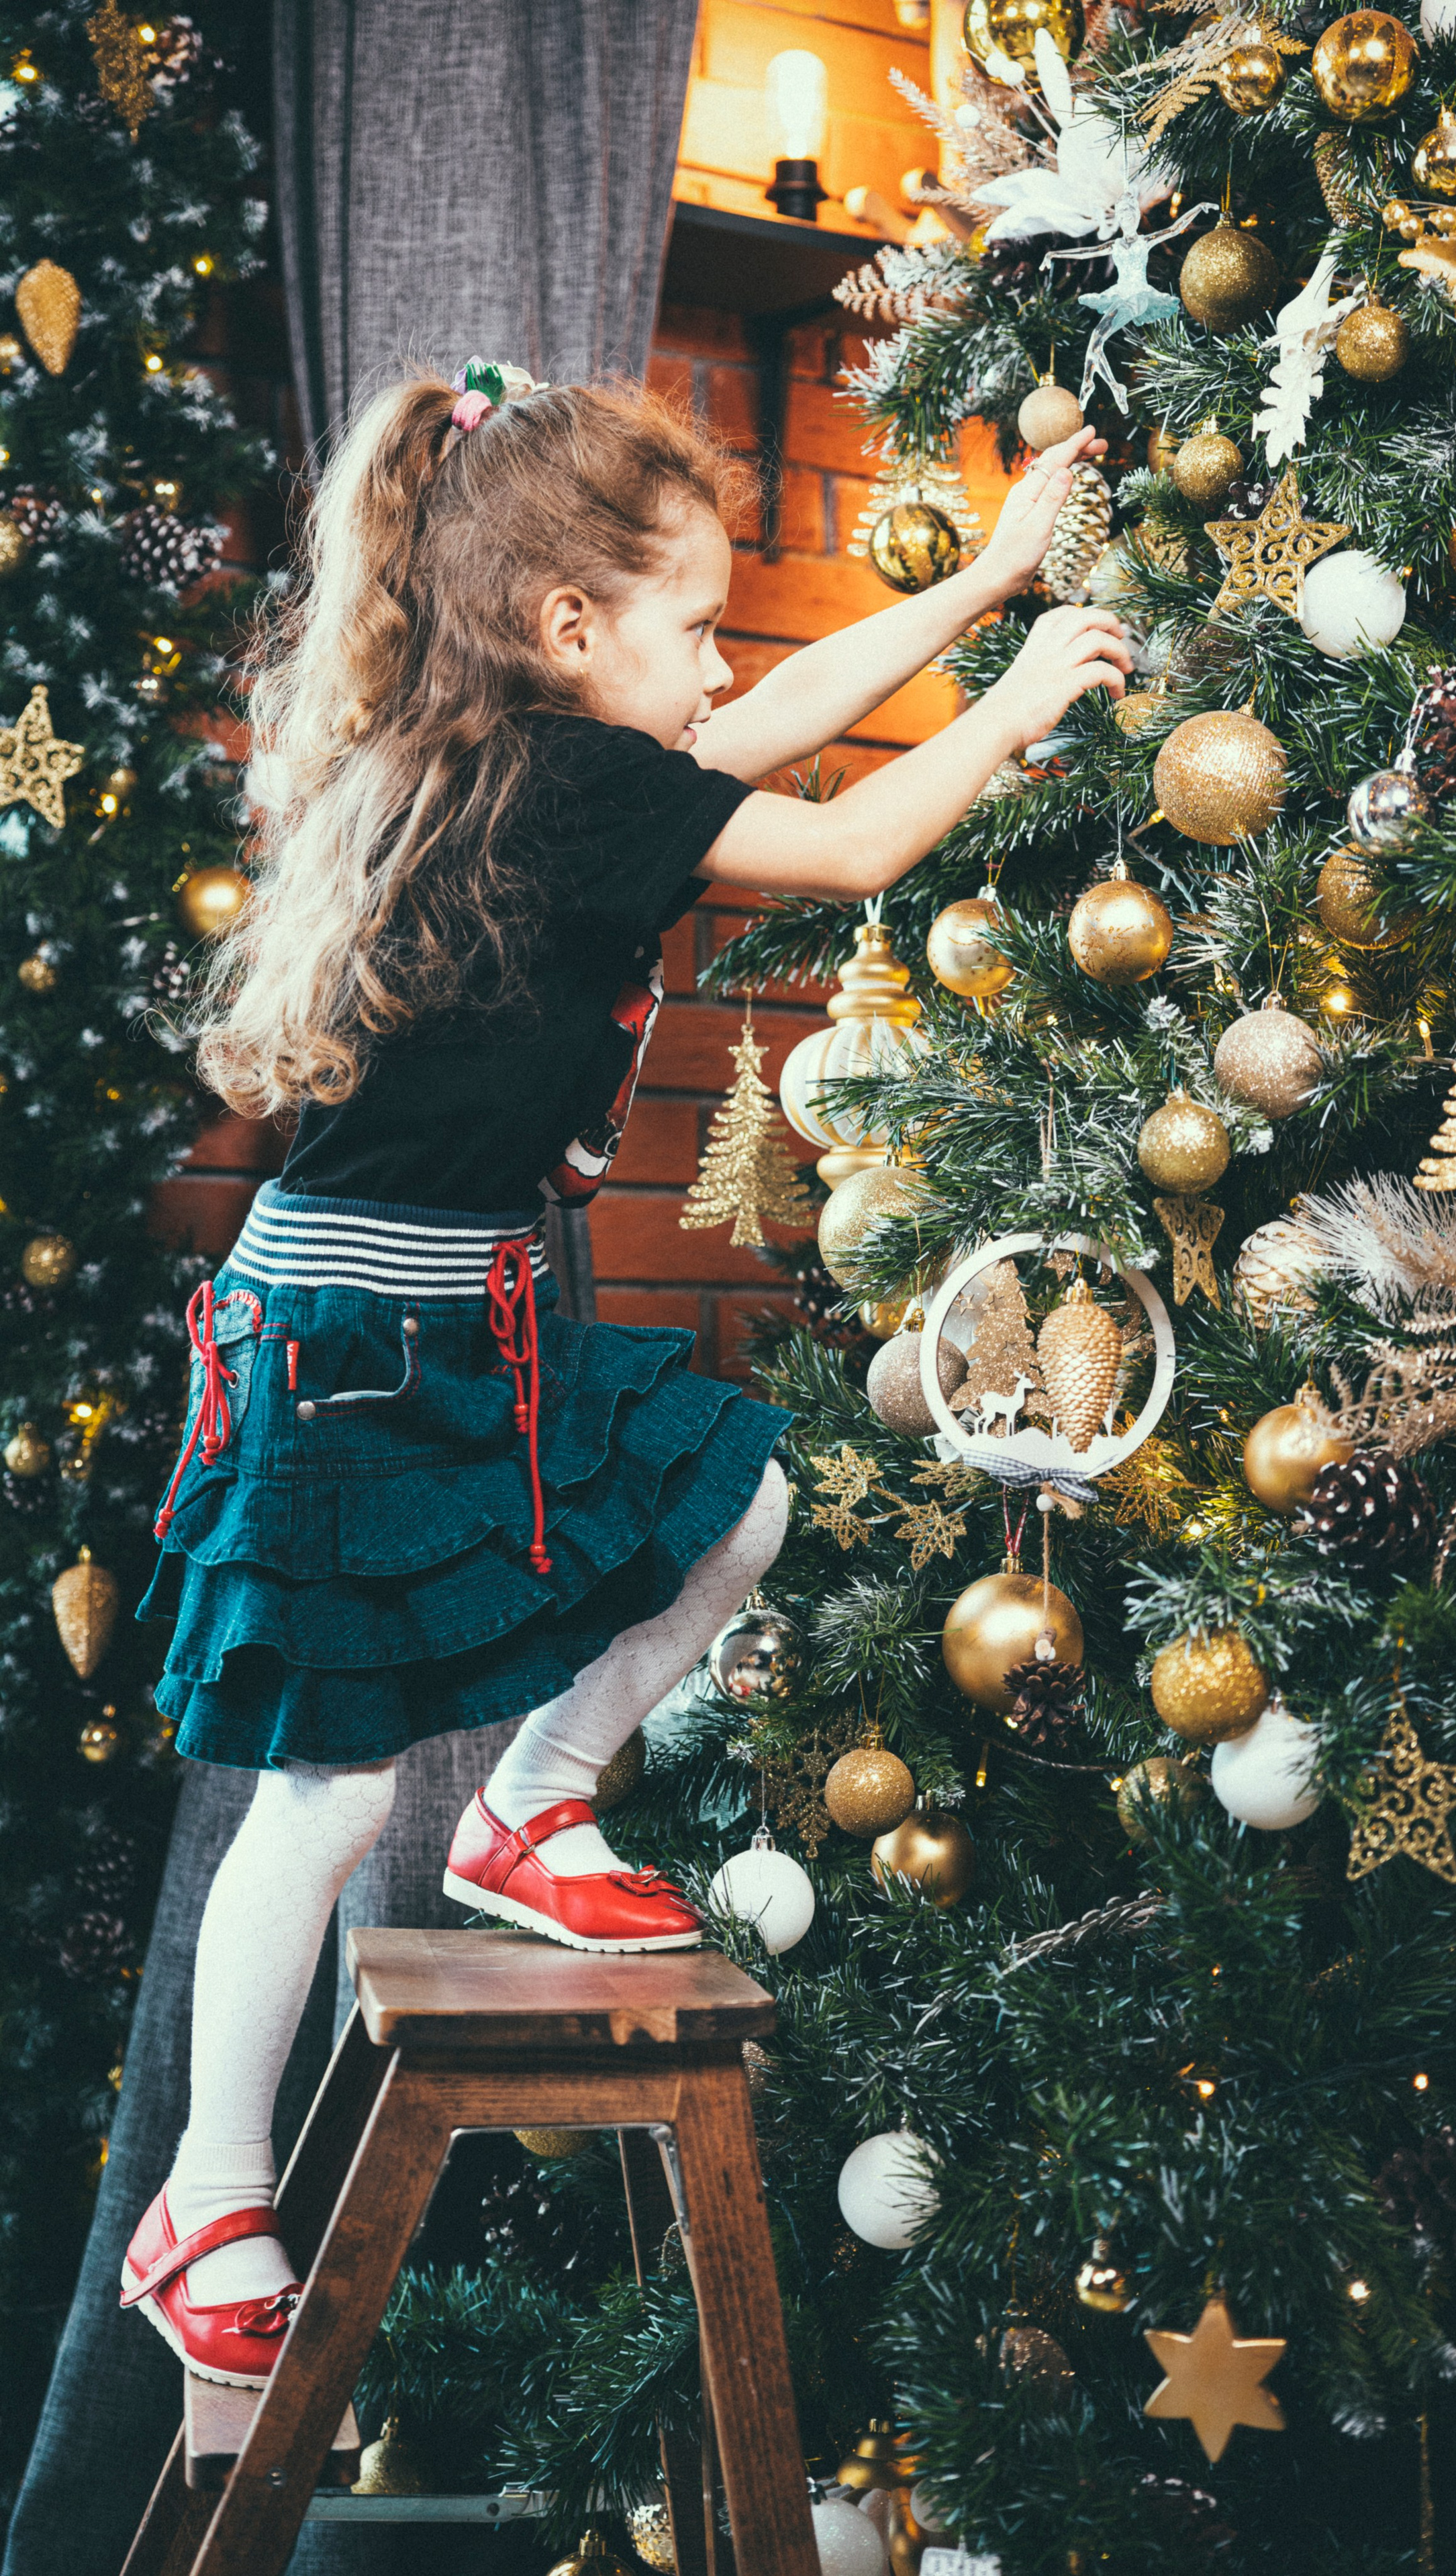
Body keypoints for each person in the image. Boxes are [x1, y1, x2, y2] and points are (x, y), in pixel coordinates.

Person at [117, 358, 1130, 2389]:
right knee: (316, 1798)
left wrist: (988, 580)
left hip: (444, 1315)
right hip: (344, 1346)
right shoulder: (570, 785)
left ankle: (532, 1810)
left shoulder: (522, 756)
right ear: (578, 633)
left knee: (733, 1496)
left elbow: (760, 729)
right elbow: (840, 848)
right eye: (693, 624)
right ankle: (204, 2199)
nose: (720, 664)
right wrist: (1022, 700)